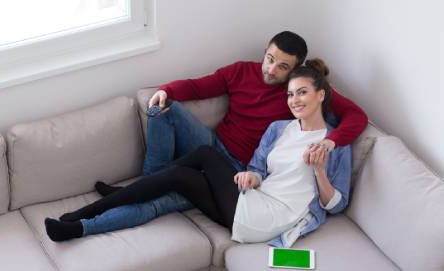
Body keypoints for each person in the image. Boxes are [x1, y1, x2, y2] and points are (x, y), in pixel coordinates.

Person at [46, 60, 350, 247]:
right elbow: (258, 168)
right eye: (290, 94)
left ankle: (88, 211)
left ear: (320, 95)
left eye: (302, 93)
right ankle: (76, 225)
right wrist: (251, 176)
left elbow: (337, 204)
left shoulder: (335, 142)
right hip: (246, 202)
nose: (294, 100)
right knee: (178, 176)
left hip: (266, 218)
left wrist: (320, 171)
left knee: (202, 155)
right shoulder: (279, 129)